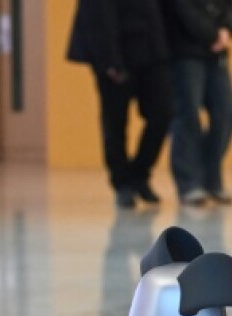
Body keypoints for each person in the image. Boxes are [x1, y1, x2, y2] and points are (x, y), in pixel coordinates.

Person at [67, 0, 173, 210]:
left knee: (163, 113)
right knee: (115, 122)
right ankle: (122, 183)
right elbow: (97, 15)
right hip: (114, 52)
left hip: (152, 50)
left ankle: (140, 173)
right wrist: (110, 61)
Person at [162, 0, 232, 206]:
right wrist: (213, 35)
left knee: (226, 113)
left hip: (217, 54)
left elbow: (230, 7)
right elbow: (184, 11)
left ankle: (210, 178)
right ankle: (189, 183)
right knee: (187, 116)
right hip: (185, 53)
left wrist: (227, 29)